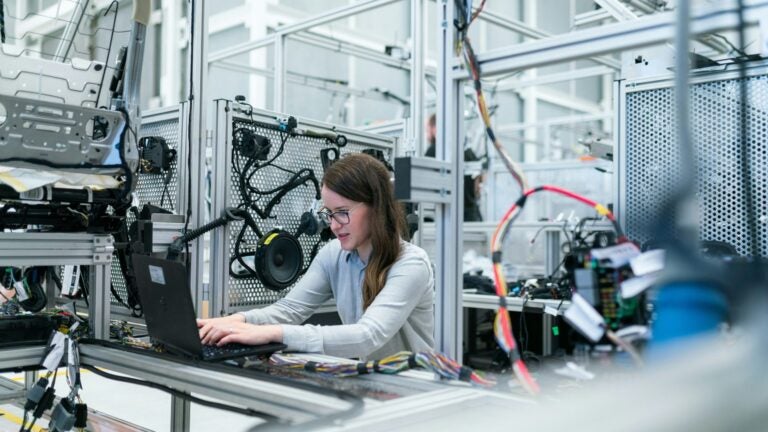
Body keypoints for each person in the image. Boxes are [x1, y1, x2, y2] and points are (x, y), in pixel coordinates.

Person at [198, 153, 435, 360]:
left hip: (414, 389)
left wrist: (274, 333)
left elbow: (367, 335)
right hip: (373, 380)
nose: (333, 225)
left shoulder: (411, 264)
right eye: (329, 214)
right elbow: (289, 310)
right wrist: (235, 321)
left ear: (377, 207)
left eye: (342, 213)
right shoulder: (334, 254)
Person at [424, 114, 483, 222]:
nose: (427, 133)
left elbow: (425, 184)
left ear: (435, 128)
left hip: (449, 216)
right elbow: (478, 187)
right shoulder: (469, 152)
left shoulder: (435, 150)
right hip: (473, 216)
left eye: (428, 129)